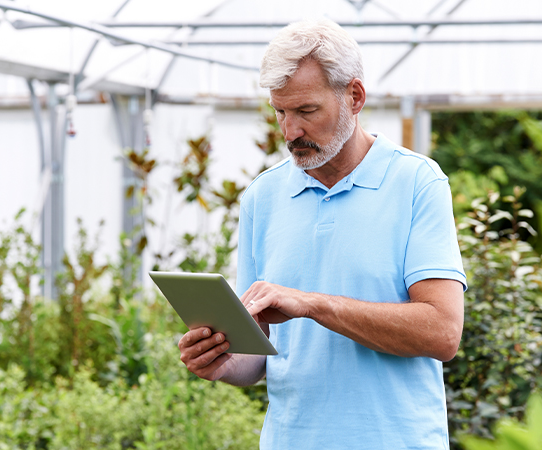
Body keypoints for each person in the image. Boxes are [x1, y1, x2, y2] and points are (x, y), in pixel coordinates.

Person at [178, 19, 467, 449]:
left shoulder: (416, 182)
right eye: (280, 112)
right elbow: (255, 355)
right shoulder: (263, 196)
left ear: (354, 96)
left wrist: (312, 304)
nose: (290, 132)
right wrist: (220, 360)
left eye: (307, 111)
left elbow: (442, 333)